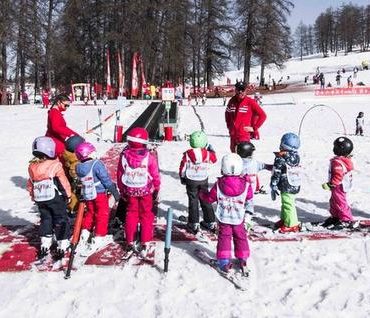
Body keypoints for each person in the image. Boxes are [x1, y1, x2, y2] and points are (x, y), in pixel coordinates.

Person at [200, 153, 253, 273]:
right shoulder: (246, 184)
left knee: (224, 238)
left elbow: (210, 198)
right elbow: (249, 196)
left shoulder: (219, 184)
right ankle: (243, 257)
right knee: (241, 237)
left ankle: (224, 261)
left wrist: (202, 194)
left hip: (224, 217)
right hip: (239, 217)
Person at [117, 127, 160, 255]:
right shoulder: (149, 157)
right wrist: (156, 187)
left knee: (131, 213)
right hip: (145, 190)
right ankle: (144, 240)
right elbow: (155, 174)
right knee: (146, 215)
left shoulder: (124, 156)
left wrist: (122, 189)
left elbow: (120, 174)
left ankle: (130, 240)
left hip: (130, 189)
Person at [26, 136, 72, 259]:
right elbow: (62, 182)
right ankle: (63, 241)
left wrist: (33, 196)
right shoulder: (55, 165)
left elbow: (30, 183)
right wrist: (68, 195)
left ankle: (45, 241)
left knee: (46, 218)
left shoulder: (32, 167)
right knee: (60, 218)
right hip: (54, 198)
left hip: (40, 198)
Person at [75, 142, 120, 254]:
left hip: (88, 193)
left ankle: (85, 233)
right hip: (99, 193)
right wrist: (113, 191)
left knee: (90, 212)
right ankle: (99, 236)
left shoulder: (78, 167)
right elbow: (105, 179)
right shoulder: (96, 164)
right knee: (102, 214)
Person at [179, 131, 217, 234]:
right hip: (203, 179)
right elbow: (214, 159)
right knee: (205, 199)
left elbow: (183, 167)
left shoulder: (187, 154)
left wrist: (182, 177)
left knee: (193, 200)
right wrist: (211, 150)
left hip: (191, 180)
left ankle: (194, 222)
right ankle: (210, 221)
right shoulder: (208, 154)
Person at [270, 133, 301, 233]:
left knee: (288, 204)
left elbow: (277, 172)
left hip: (285, 185)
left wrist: (273, 183)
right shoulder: (296, 157)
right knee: (285, 203)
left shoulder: (281, 158)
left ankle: (292, 224)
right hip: (294, 183)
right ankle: (285, 219)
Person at [321, 137, 355, 229]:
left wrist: (330, 184)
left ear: (340, 149)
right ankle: (336, 216)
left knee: (340, 202)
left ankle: (346, 220)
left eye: (335, 147)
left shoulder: (338, 162)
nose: (333, 148)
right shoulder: (342, 160)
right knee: (333, 201)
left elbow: (338, 176)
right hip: (339, 185)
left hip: (339, 186)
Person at [225, 81, 266, 152]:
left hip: (243, 136)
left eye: (243, 90)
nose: (240, 92)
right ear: (235, 90)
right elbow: (227, 114)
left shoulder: (250, 102)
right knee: (234, 157)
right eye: (238, 90)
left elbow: (263, 115)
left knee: (243, 155)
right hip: (233, 136)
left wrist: (254, 128)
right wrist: (229, 126)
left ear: (246, 90)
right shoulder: (232, 101)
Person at [236, 142, 272, 215]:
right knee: (249, 203)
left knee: (238, 203)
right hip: (250, 191)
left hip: (237, 190)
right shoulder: (254, 163)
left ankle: (238, 215)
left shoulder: (236, 162)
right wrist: (273, 167)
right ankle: (247, 217)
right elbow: (264, 166)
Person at [46, 94, 80, 158]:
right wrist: (71, 134)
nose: (67, 107)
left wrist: (75, 134)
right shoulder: (55, 112)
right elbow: (56, 127)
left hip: (56, 139)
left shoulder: (56, 112)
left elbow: (63, 127)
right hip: (54, 141)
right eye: (66, 105)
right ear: (59, 102)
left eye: (68, 106)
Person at [62, 135, 85, 214]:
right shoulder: (75, 162)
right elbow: (75, 174)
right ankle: (74, 209)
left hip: (74, 184)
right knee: (76, 196)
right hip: (78, 185)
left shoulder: (71, 158)